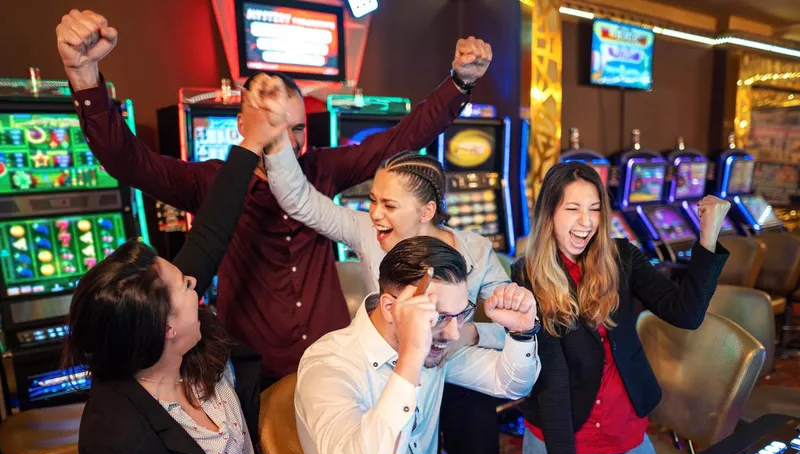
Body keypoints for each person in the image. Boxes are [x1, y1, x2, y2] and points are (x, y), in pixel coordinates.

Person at [56, 8, 493, 390]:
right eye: (275, 124)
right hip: (251, 363)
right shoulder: (214, 182)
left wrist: (459, 83)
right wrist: (85, 78)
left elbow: (400, 139)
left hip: (331, 356)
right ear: (244, 124)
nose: (290, 139)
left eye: (298, 128)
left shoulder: (321, 169)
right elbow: (128, 162)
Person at [66, 76, 305, 454]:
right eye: (184, 285)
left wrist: (249, 141)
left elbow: (213, 227)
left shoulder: (181, 336)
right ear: (166, 329)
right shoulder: (117, 430)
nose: (193, 280)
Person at [260, 117, 509, 454]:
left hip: (454, 372)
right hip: (391, 375)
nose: (375, 213)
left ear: (426, 211)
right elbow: (301, 202)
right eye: (373, 200)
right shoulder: (366, 231)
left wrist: (473, 333)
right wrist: (274, 143)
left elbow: (511, 323)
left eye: (389, 204)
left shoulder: (473, 248)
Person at [295, 236, 551, 454]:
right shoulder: (330, 364)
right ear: (390, 307)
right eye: (438, 318)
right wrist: (410, 359)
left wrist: (522, 332)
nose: (452, 333)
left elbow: (509, 384)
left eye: (461, 314)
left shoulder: (437, 344)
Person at [512, 162, 731, 454]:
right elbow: (552, 375)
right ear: (549, 213)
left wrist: (707, 236)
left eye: (595, 209)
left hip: (624, 433)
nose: (586, 222)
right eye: (572, 208)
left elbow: (686, 313)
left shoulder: (622, 256)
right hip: (561, 437)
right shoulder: (527, 274)